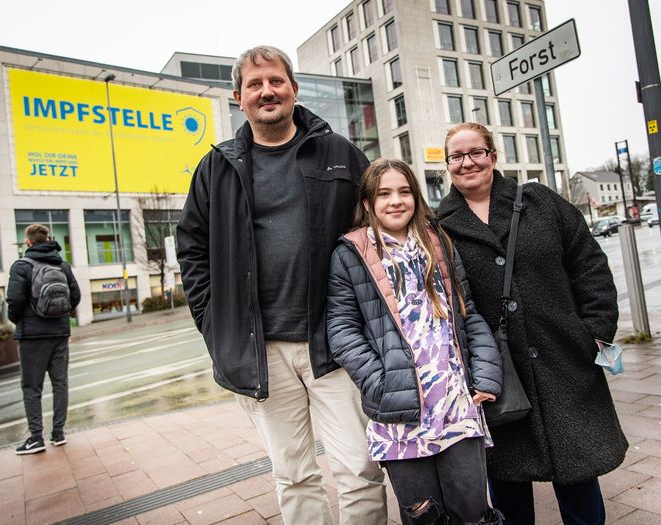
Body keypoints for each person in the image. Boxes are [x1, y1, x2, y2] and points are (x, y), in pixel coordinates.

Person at [176, 46, 387, 525]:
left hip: (336, 342)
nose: (266, 91)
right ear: (239, 97)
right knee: (293, 474)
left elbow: (381, 231)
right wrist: (216, 326)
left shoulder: (340, 154)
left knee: (360, 467)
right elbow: (191, 248)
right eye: (255, 84)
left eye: (275, 81)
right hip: (260, 351)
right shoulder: (217, 168)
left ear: (293, 88)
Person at [437, 122, 628, 525]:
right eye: (457, 156)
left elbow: (588, 263)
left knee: (578, 473)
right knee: (507, 481)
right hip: (495, 375)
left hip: (563, 357)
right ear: (447, 164)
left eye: (476, 152)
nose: (467, 162)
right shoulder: (440, 225)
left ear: (492, 155)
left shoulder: (540, 202)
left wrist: (594, 331)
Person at [327, 158, 503, 525]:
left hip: (457, 406)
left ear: (416, 197)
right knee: (423, 517)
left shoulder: (437, 243)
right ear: (368, 202)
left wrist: (484, 378)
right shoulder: (351, 253)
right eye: (384, 193)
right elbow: (342, 330)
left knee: (472, 511)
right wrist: (381, 384)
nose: (396, 201)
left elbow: (467, 312)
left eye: (404, 191)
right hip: (399, 416)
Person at [6, 224, 81, 455]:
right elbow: (75, 296)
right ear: (48, 239)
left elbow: (15, 301)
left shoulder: (21, 266)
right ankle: (58, 434)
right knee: (60, 384)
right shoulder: (62, 265)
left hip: (32, 336)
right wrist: (61, 317)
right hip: (60, 333)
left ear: (28, 242)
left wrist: (18, 320)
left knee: (32, 387)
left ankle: (36, 438)